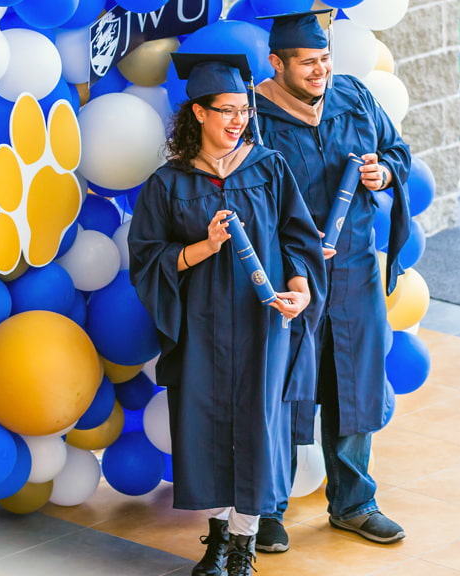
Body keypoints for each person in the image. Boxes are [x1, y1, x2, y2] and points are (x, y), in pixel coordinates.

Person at [127, 52, 327, 576]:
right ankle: (216, 541)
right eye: (227, 110)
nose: (239, 120)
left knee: (257, 429)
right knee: (206, 427)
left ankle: (244, 547)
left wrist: (301, 290)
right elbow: (147, 259)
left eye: (244, 110)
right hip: (201, 328)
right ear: (198, 113)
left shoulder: (267, 168)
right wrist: (204, 246)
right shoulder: (168, 184)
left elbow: (298, 240)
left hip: (262, 325)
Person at [252, 9, 412, 552]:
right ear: (277, 64)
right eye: (307, 63)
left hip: (354, 270)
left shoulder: (354, 97)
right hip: (289, 275)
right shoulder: (254, 115)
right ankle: (266, 509)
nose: (320, 71)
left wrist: (382, 171)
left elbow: (397, 151)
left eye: (325, 59)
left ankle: (354, 503)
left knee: (354, 380)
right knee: (281, 387)